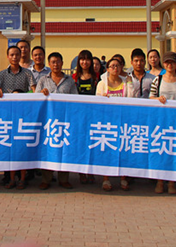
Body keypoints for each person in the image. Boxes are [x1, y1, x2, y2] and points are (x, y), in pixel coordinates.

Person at [0, 45, 36, 189]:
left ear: (20, 56)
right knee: (9, 146)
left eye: (17, 54)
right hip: (7, 115)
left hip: (23, 114)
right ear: (7, 56)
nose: (14, 57)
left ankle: (23, 178)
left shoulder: (27, 73)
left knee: (22, 145)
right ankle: (9, 177)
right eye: (11, 55)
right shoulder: (2, 74)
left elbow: (34, 90)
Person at [149, 51, 176, 194]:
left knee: (173, 152)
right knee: (161, 151)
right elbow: (151, 97)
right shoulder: (157, 80)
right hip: (161, 121)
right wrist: (158, 99)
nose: (169, 65)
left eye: (172, 62)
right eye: (167, 62)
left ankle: (171, 183)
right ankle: (160, 181)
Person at [35, 52, 77, 190]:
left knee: (64, 149)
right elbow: (36, 99)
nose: (56, 64)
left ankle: (64, 179)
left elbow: (75, 99)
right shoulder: (43, 80)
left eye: (58, 62)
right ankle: (46, 179)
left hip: (65, 120)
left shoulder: (69, 80)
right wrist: (42, 94)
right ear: (49, 64)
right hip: (48, 121)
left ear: (62, 63)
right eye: (53, 62)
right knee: (48, 149)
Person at [96, 57, 128, 192]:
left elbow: (131, 99)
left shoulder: (126, 83)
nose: (115, 68)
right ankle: (106, 178)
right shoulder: (102, 84)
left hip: (123, 120)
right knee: (107, 149)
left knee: (123, 148)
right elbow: (97, 101)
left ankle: (123, 177)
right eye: (112, 66)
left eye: (117, 66)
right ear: (107, 69)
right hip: (107, 121)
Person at [73, 49, 97, 184]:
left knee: (92, 144)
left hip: (93, 116)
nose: (85, 62)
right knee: (81, 144)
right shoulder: (74, 78)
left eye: (87, 59)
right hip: (79, 117)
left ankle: (91, 171)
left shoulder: (97, 77)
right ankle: (81, 172)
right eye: (82, 59)